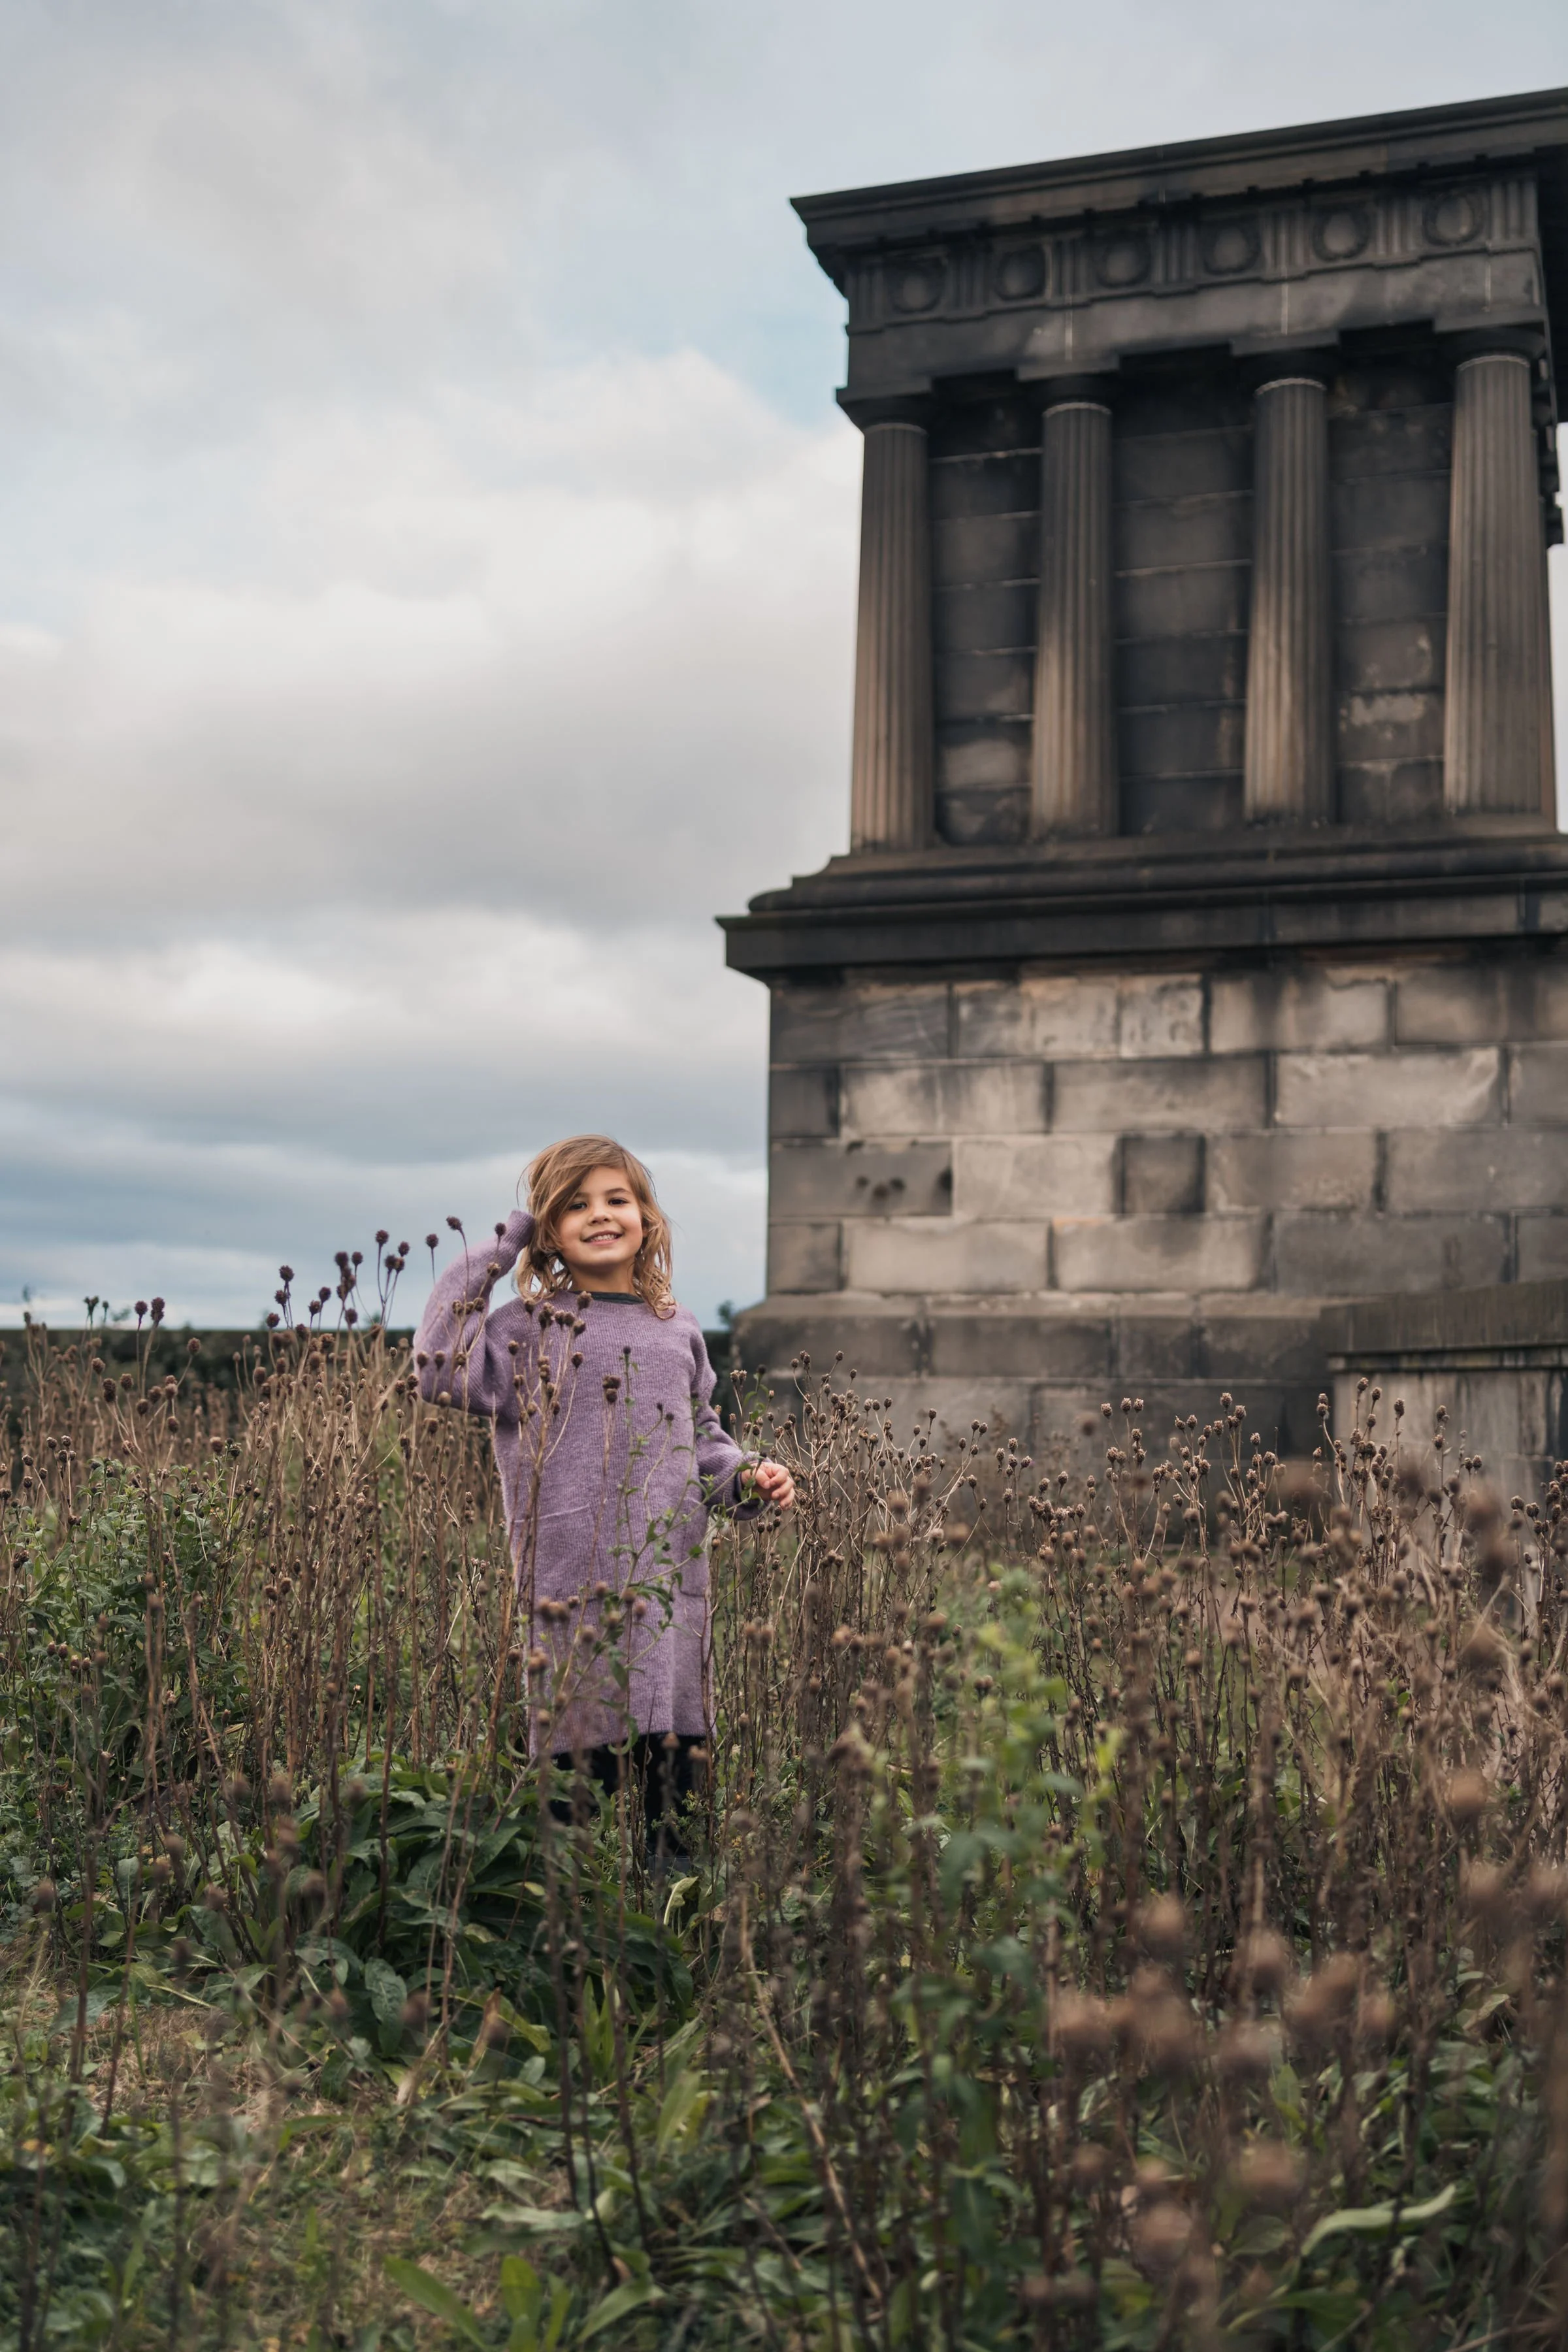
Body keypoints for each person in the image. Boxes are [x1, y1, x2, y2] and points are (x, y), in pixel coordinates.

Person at [414, 1135, 793, 1854]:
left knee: (675, 1819)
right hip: (571, 1599)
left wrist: (747, 1477)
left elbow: (703, 1434)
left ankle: (675, 1945)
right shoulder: (525, 1330)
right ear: (549, 1230)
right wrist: (507, 1239)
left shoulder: (676, 1328)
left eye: (617, 1199)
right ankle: (565, 1953)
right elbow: (440, 1367)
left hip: (669, 1594)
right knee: (570, 1822)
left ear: (647, 1218)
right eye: (574, 1205)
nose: (600, 1215)